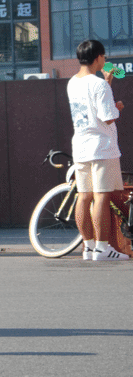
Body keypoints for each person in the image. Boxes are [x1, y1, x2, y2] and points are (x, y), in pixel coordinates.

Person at [69, 39, 127, 261]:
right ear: (98, 58)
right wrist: (116, 107)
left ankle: (89, 247)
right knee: (101, 196)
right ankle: (103, 249)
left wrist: (108, 82)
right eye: (104, 57)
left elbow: (92, 108)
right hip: (101, 146)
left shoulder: (72, 82)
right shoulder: (99, 85)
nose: (105, 60)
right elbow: (108, 117)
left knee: (84, 196)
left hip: (81, 146)